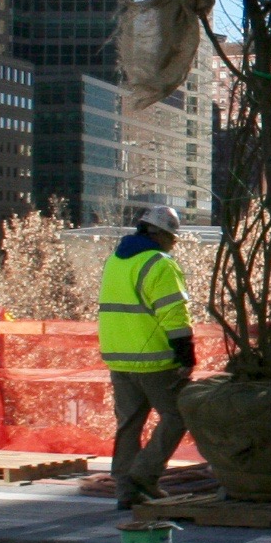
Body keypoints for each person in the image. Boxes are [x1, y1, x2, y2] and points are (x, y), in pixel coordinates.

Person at [99, 203, 194, 508]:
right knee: (177, 415)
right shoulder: (160, 264)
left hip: (119, 356)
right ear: (162, 234)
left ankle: (126, 491)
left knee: (129, 423)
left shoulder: (116, 261)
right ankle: (144, 474)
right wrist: (185, 355)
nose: (173, 244)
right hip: (153, 358)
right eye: (173, 238)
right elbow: (174, 314)